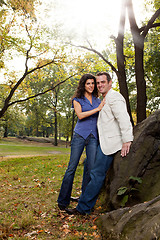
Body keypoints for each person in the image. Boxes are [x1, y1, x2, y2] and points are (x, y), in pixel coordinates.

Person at [65, 71, 133, 215]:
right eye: (98, 82)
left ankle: (84, 208)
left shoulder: (114, 97)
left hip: (111, 144)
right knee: (88, 169)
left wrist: (127, 140)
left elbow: (123, 118)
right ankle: (84, 198)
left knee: (96, 173)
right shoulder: (103, 99)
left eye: (103, 82)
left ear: (110, 83)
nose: (100, 85)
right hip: (101, 141)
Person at [57, 73, 105, 210]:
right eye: (88, 83)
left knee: (90, 169)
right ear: (83, 85)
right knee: (71, 168)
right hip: (79, 135)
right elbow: (80, 115)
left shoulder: (97, 99)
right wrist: (97, 109)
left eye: (93, 83)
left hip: (93, 137)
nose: (91, 86)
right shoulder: (77, 99)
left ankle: (84, 199)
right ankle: (63, 201)